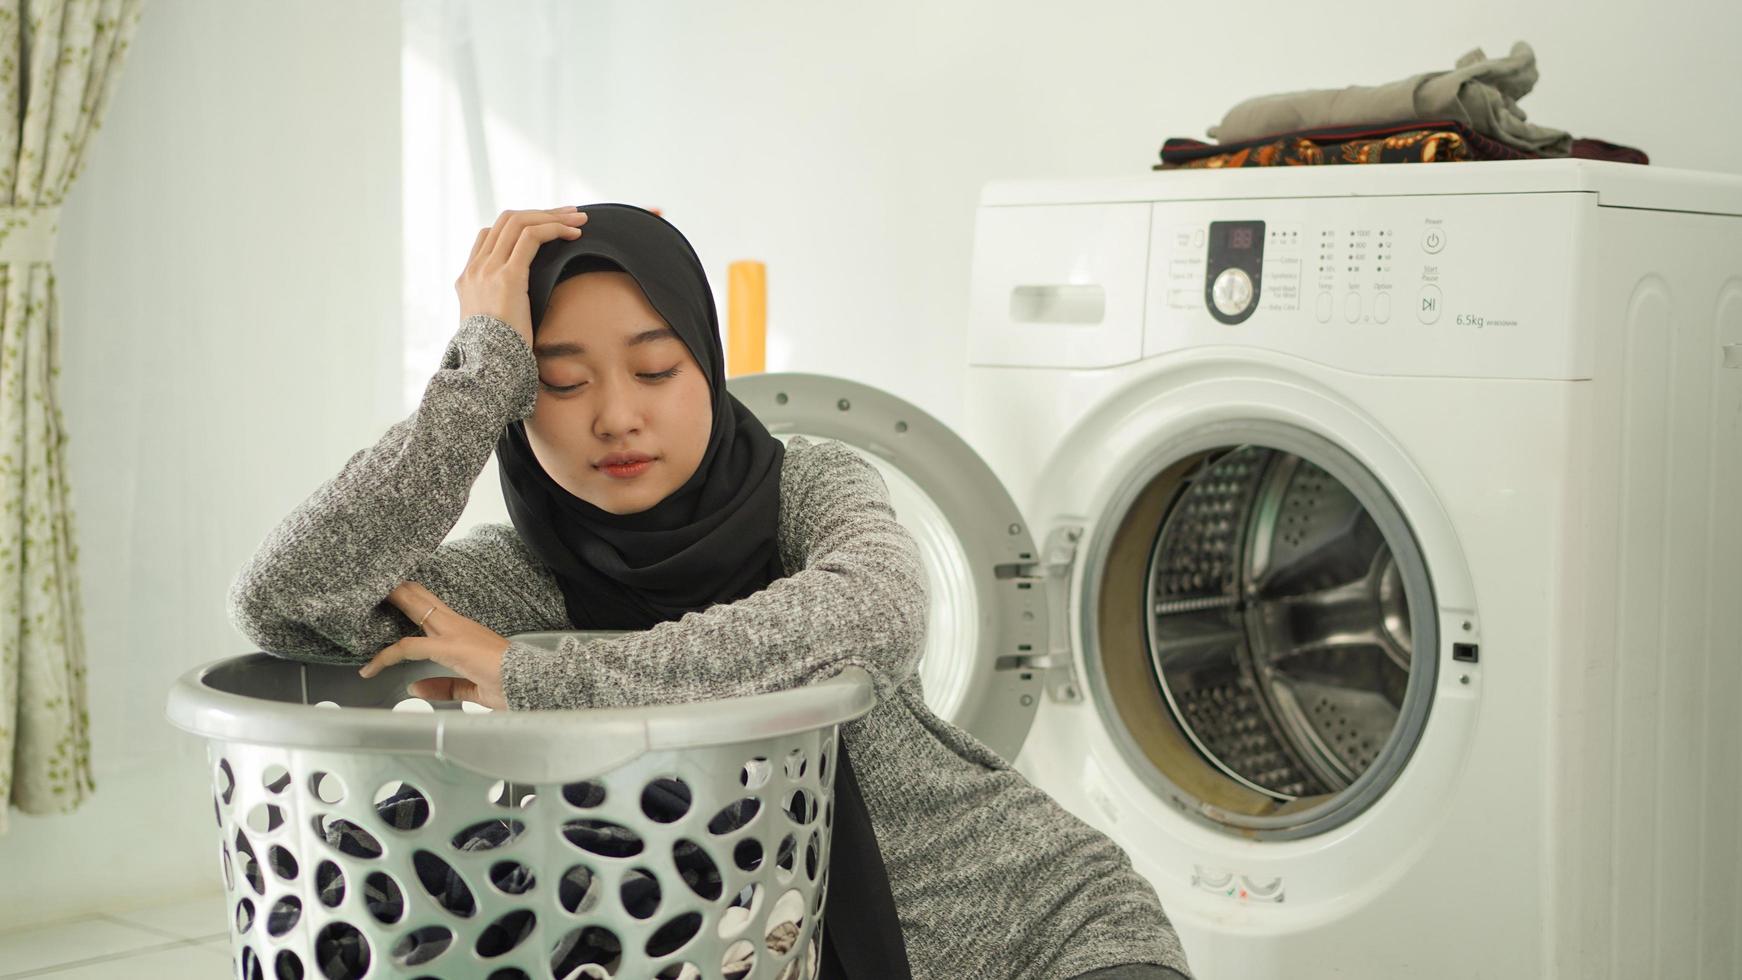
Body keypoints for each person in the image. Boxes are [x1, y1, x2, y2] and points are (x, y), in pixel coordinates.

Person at [227, 202, 1194, 980]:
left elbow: (878, 610)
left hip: (1028, 917)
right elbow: (289, 602)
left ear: (708, 364)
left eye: (656, 368)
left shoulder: (804, 483)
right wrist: (478, 370)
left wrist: (545, 680)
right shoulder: (516, 580)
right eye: (559, 384)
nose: (617, 416)